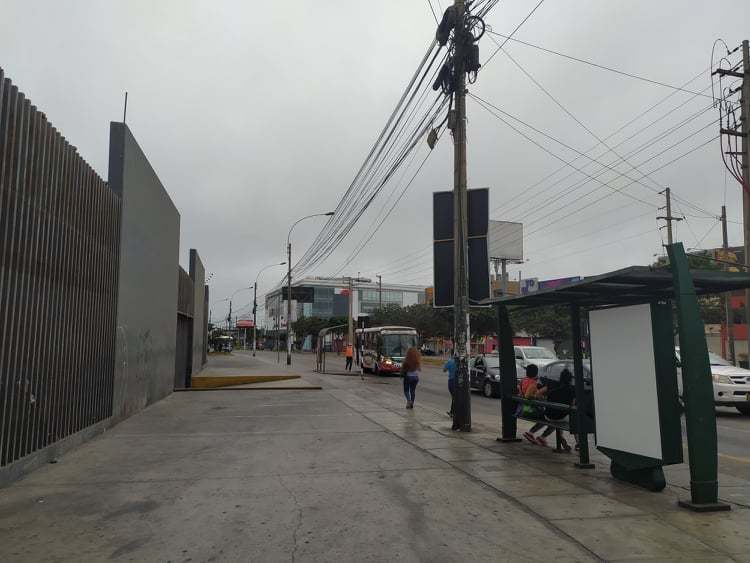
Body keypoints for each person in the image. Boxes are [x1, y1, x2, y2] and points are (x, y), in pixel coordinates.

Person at [523, 369, 575, 449]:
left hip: (548, 415)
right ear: (570, 379)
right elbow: (572, 405)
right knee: (567, 419)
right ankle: (576, 443)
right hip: (560, 417)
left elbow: (538, 393)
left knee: (551, 418)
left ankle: (534, 433)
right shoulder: (571, 389)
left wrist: (544, 399)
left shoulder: (552, 385)